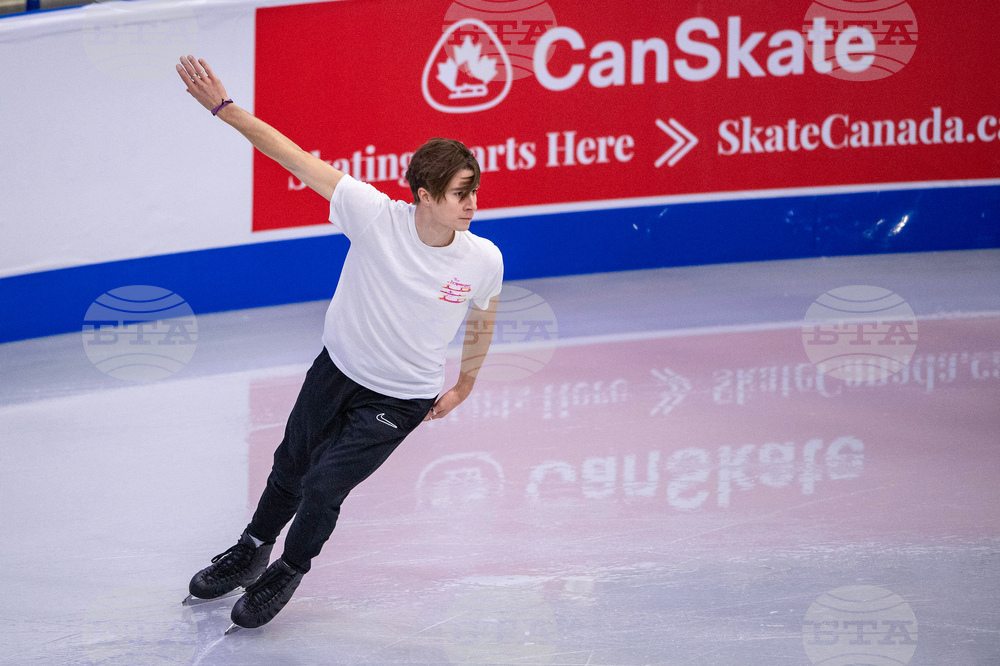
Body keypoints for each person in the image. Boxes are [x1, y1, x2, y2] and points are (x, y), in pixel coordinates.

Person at [175, 55, 503, 632]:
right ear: (425, 195)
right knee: (290, 466)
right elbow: (291, 154)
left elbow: (483, 319)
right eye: (459, 193)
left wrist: (465, 385)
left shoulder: (482, 258)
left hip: (402, 397)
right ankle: (251, 548)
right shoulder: (374, 215)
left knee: (324, 484)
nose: (472, 203)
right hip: (338, 370)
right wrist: (224, 110)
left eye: (474, 190)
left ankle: (287, 570)